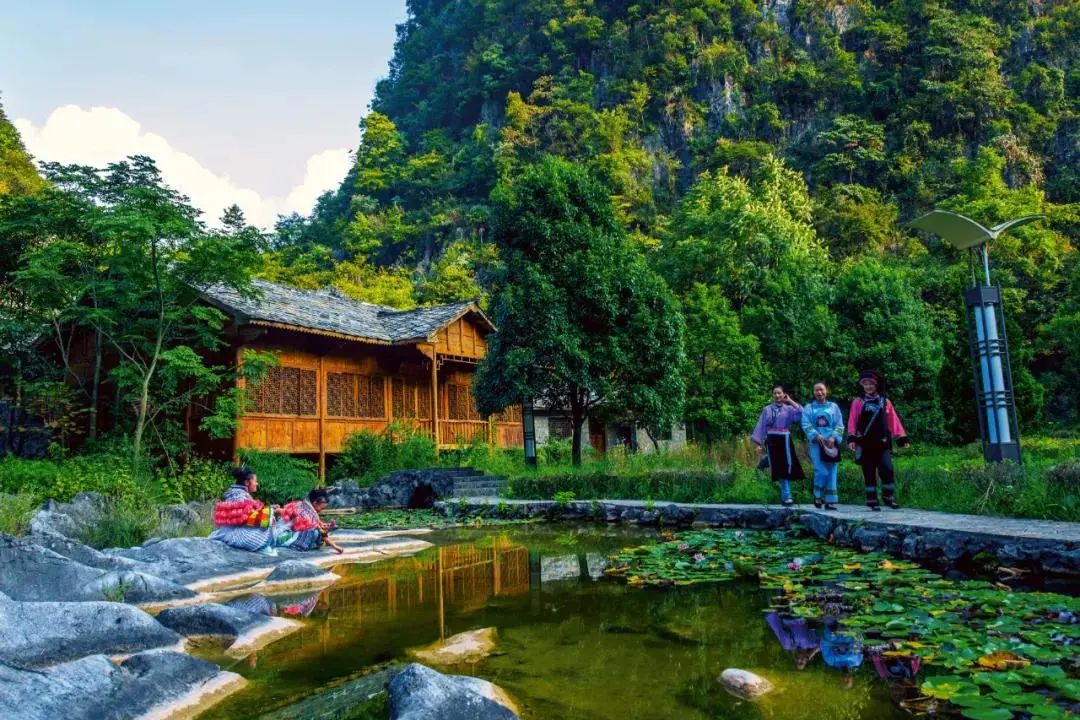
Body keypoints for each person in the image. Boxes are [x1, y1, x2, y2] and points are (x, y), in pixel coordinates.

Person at [847, 370, 910, 511]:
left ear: (876, 385)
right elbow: (852, 420)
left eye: (871, 384)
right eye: (865, 384)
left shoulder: (885, 401)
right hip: (865, 443)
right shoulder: (858, 402)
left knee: (887, 469)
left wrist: (901, 437)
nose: (868, 386)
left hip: (882, 443)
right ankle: (872, 500)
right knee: (868, 472)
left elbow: (893, 420)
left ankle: (888, 497)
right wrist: (851, 437)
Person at [751, 385, 806, 506]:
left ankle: (786, 496)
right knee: (777, 467)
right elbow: (761, 425)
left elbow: (802, 412)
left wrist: (790, 400)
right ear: (772, 395)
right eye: (775, 393)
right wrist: (758, 443)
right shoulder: (767, 409)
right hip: (772, 439)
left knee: (786, 466)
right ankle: (786, 496)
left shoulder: (789, 409)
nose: (777, 396)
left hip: (785, 439)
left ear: (783, 394)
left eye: (779, 393)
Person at [210, 467, 278, 555]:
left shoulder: (235, 493)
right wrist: (272, 512)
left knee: (269, 516)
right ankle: (262, 548)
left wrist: (270, 508)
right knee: (269, 523)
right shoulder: (240, 496)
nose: (256, 484)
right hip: (235, 534)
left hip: (227, 531)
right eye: (255, 481)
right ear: (246, 482)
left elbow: (250, 512)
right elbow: (251, 518)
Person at [801, 382, 844, 510]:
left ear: (827, 391)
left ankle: (830, 500)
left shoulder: (834, 407)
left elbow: (840, 424)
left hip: (831, 443)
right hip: (816, 443)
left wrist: (834, 437)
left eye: (821, 390)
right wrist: (815, 435)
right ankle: (818, 496)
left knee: (831, 471)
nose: (819, 393)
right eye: (816, 390)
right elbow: (805, 423)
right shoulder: (809, 407)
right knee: (821, 470)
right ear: (813, 392)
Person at [275, 488, 344, 554]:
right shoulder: (301, 508)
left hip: (291, 534)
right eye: (321, 508)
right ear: (315, 503)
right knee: (312, 532)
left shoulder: (310, 511)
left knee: (315, 533)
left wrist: (335, 546)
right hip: (281, 537)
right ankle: (296, 546)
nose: (321, 510)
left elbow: (321, 530)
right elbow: (320, 531)